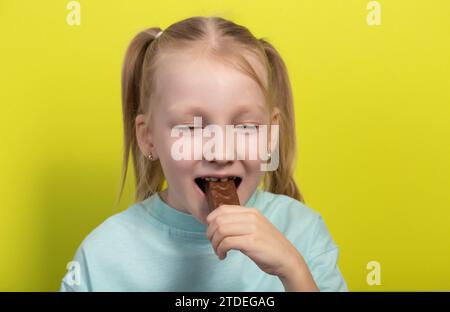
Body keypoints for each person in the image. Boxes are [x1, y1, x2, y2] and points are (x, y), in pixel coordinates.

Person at [60, 15, 347, 292]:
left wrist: (293, 272)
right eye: (191, 127)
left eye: (245, 126)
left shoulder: (302, 234)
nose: (220, 152)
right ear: (148, 137)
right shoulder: (102, 256)